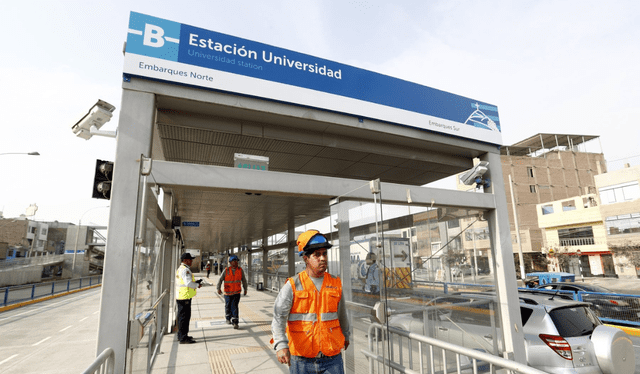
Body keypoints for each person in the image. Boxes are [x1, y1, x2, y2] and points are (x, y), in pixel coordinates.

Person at [271, 229, 350, 373]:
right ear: (306, 258)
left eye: (324, 253)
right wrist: (281, 345)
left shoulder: (335, 283)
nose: (322, 258)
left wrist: (346, 334)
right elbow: (278, 317)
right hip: (301, 360)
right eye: (317, 255)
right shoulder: (293, 285)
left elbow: (341, 314)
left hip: (332, 358)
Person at [175, 253, 202, 344]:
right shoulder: (185, 270)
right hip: (184, 297)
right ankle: (183, 338)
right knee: (184, 318)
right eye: (190, 259)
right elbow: (188, 284)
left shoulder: (181, 269)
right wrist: (198, 285)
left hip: (182, 296)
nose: (191, 261)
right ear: (186, 260)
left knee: (182, 317)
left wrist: (195, 282)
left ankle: (182, 335)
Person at [217, 255, 247, 329]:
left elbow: (244, 280)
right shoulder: (226, 270)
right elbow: (220, 280)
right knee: (228, 306)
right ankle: (228, 317)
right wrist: (218, 288)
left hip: (236, 293)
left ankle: (235, 321)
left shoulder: (240, 270)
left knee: (234, 306)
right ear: (230, 262)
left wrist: (245, 289)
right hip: (227, 293)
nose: (236, 263)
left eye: (236, 261)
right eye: (234, 261)